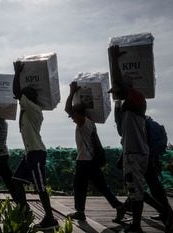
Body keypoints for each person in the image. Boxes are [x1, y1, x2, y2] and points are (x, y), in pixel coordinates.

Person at [64, 82, 125, 222]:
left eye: (74, 115)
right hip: (90, 161)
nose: (72, 118)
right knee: (102, 186)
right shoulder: (89, 122)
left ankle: (80, 212)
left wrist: (72, 92)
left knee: (79, 186)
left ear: (79, 114)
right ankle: (118, 206)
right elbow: (70, 112)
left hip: (85, 161)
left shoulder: (84, 123)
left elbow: (68, 109)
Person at [10, 61, 59, 230]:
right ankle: (25, 210)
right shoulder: (28, 108)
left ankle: (50, 218)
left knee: (40, 187)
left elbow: (16, 92)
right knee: (16, 181)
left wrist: (17, 72)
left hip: (36, 153)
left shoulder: (34, 109)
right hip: (30, 153)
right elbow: (19, 93)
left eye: (26, 93)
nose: (22, 95)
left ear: (30, 98)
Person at [109, 45, 149, 233]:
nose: (115, 93)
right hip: (130, 151)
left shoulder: (137, 98)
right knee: (133, 190)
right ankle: (134, 222)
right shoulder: (126, 105)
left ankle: (136, 226)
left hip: (135, 152)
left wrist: (114, 60)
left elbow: (121, 86)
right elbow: (123, 132)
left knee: (136, 191)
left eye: (117, 89)